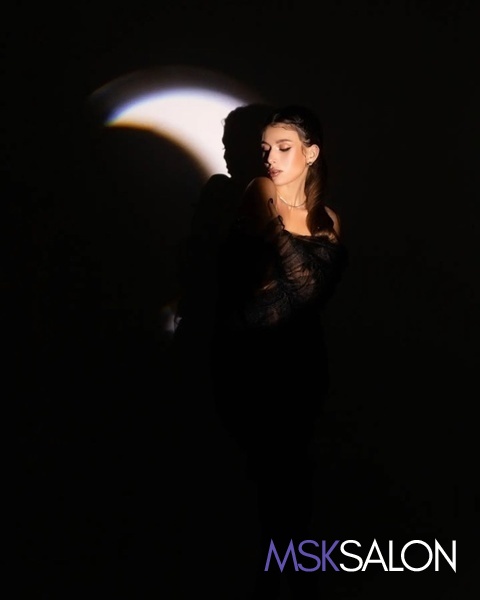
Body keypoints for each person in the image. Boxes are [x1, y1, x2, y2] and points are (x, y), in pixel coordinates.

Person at [209, 104, 348, 598]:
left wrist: (279, 238)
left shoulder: (329, 219)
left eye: (284, 148)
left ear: (311, 153)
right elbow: (289, 286)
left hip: (302, 365)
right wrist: (280, 237)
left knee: (295, 488)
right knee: (256, 486)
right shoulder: (258, 190)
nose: (269, 158)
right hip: (251, 364)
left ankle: (292, 580)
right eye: (265, 148)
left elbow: (309, 292)